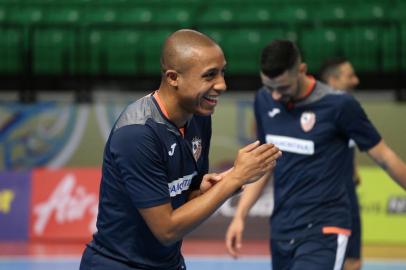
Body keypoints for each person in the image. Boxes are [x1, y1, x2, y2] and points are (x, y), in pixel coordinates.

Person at [79, 29, 281, 270]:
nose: (222, 85)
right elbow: (166, 229)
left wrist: (221, 183)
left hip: (169, 263)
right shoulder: (137, 134)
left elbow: (188, 195)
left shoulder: (199, 117)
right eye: (209, 76)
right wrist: (235, 178)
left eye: (222, 72)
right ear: (173, 77)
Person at [225, 40, 406, 270]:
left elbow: (385, 157)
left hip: (325, 229)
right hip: (282, 229)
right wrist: (240, 215)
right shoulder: (263, 100)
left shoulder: (339, 105)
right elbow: (264, 163)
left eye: (282, 87)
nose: (276, 96)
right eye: (269, 87)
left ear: (301, 70)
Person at [320, 57, 362, 270]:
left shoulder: (350, 108)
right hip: (325, 200)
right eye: (350, 76)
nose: (356, 80)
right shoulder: (317, 111)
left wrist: (353, 170)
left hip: (348, 193)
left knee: (353, 259)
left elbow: (347, 144)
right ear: (332, 80)